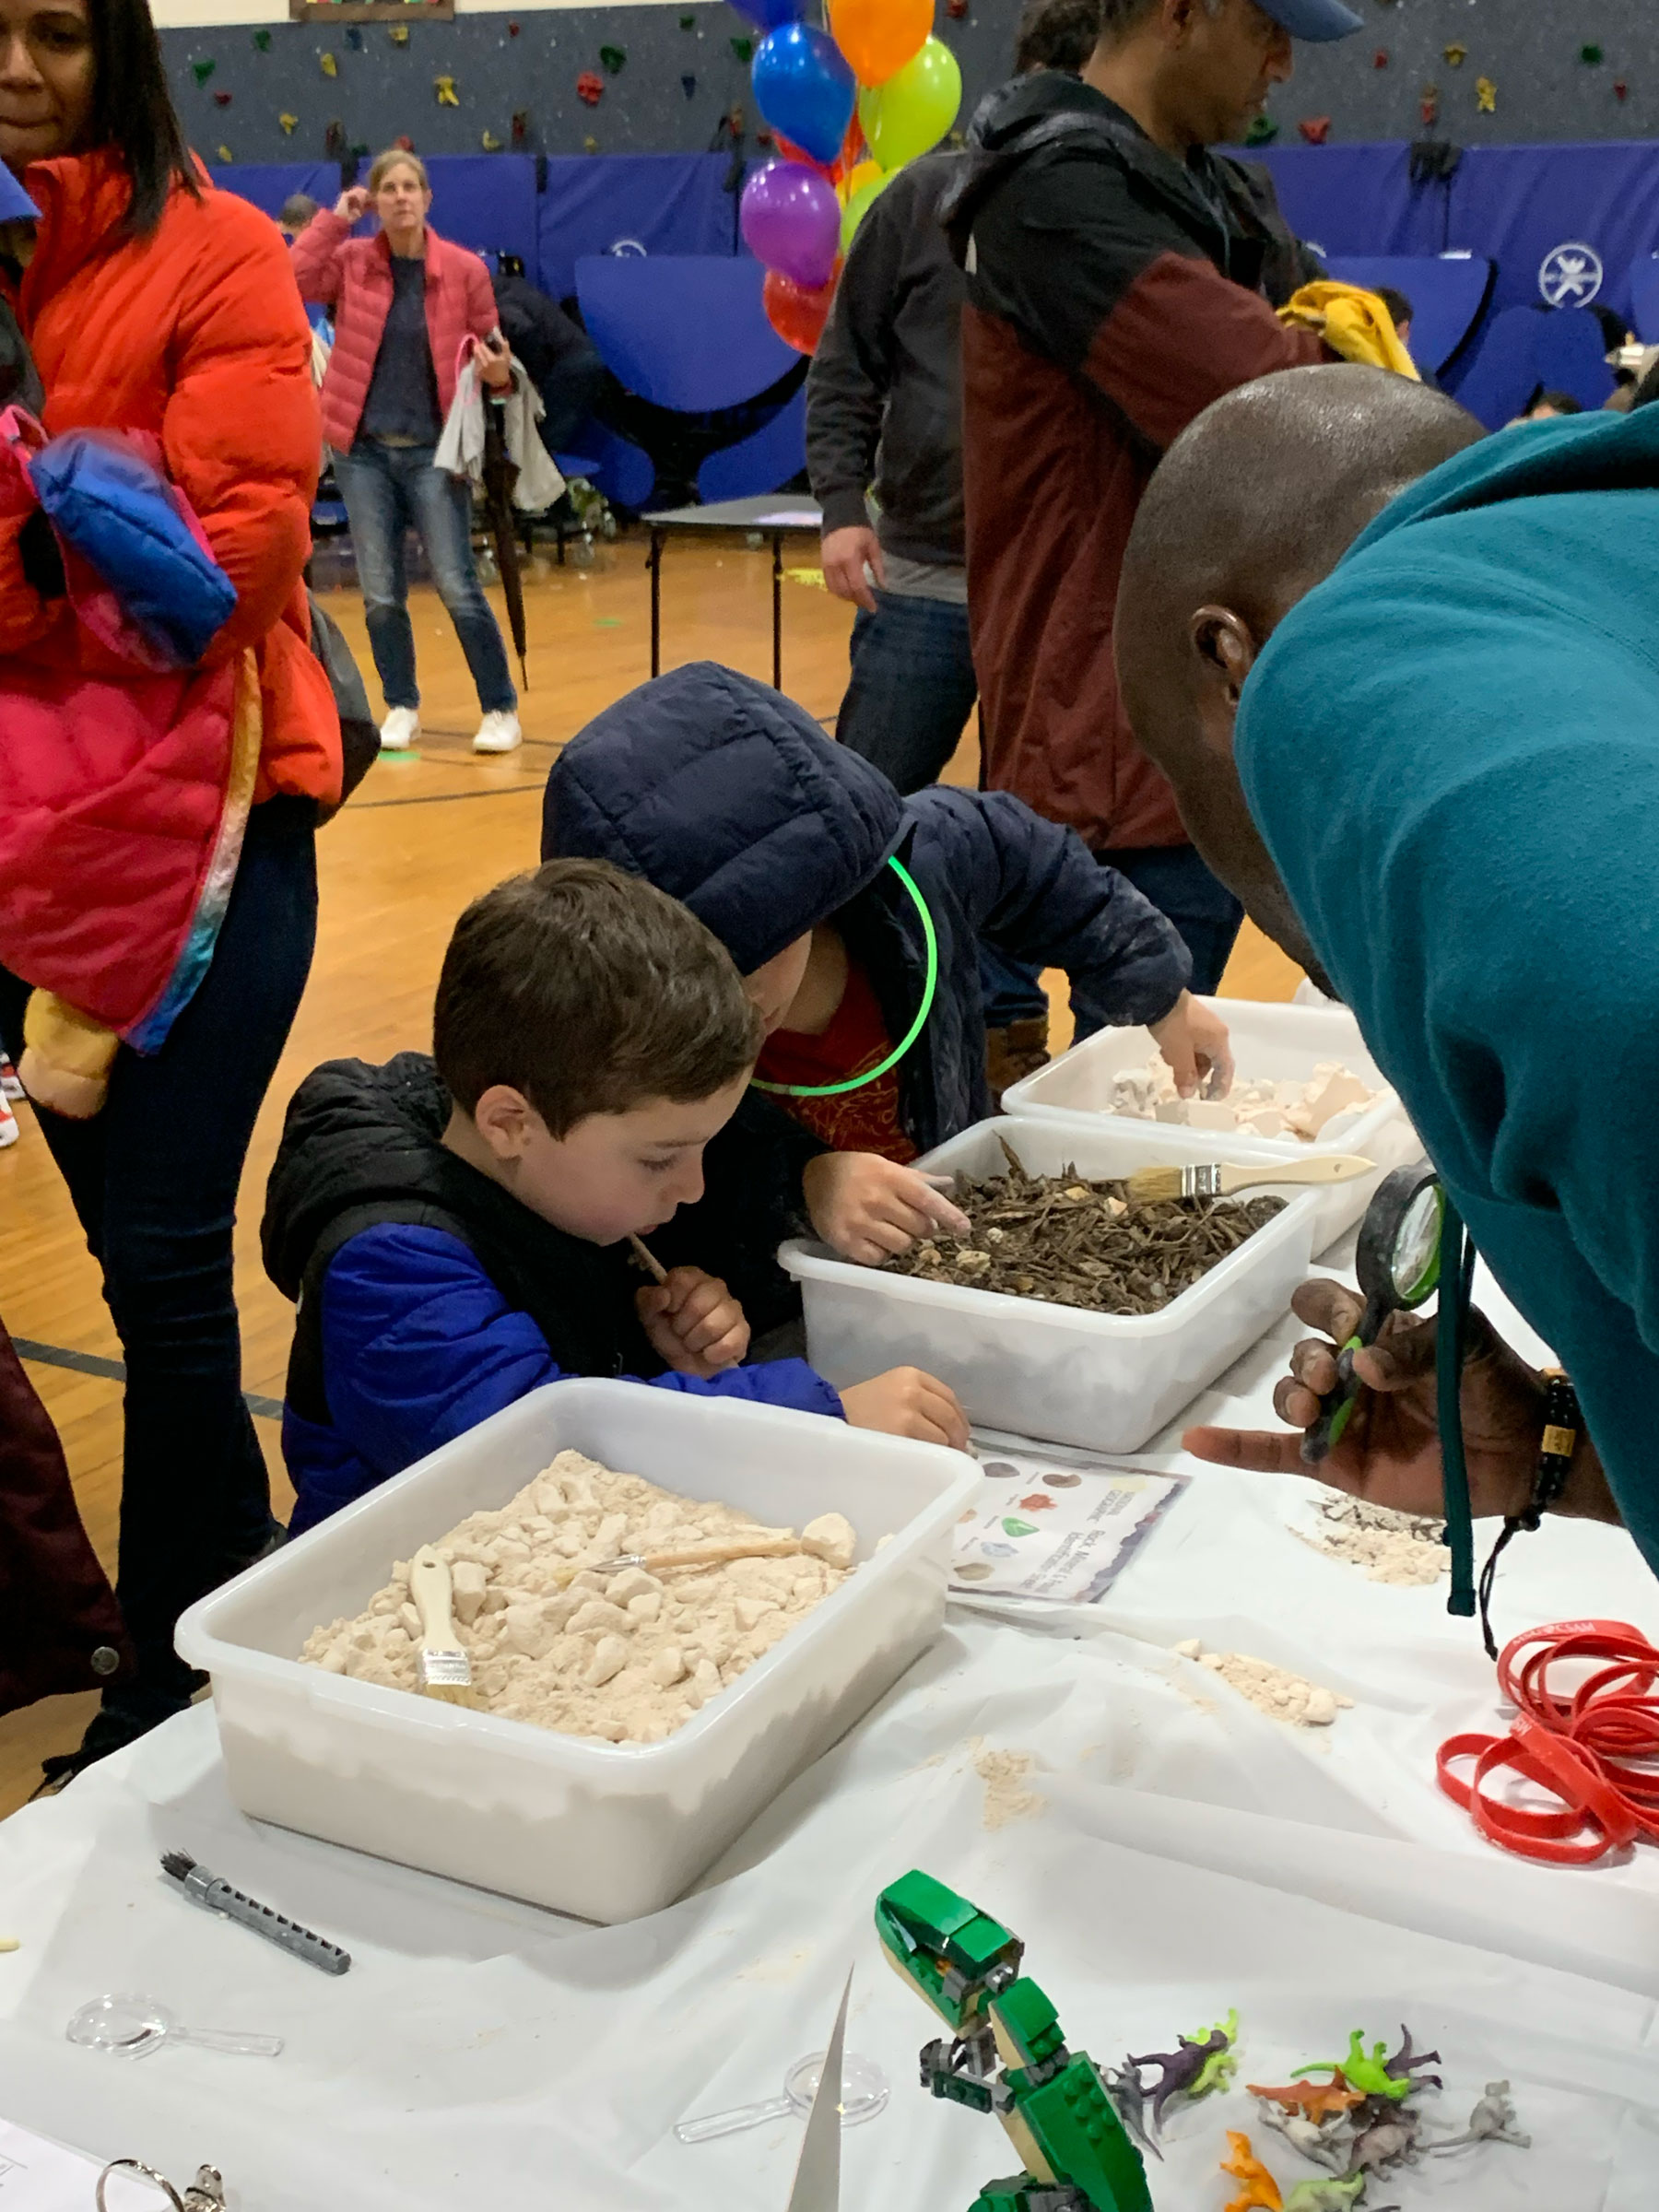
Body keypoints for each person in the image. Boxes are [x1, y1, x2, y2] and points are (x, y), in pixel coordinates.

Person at [1113, 363, 1650, 1579]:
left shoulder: (1336, 663)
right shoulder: (1606, 548)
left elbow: (1636, 1013)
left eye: (1182, 772)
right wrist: (1583, 1450)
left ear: (1231, 666)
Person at [0, 0, 341, 1774]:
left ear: (117, 47)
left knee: (161, 1249)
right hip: (28, 867)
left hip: (216, 834)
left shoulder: (213, 252)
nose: (15, 63)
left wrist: (39, 523)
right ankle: (212, 1601)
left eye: (53, 28)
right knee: (137, 1284)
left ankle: (171, 1684)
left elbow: (220, 567)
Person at [263, 861, 971, 1531]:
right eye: (660, 1158)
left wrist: (664, 1357)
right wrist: (818, 1418)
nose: (691, 1189)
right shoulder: (390, 1270)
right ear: (511, 1123)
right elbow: (546, 1463)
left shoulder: (545, 1177)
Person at [943, 0, 1362, 994]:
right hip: (1108, 745)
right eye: (1269, 29)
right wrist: (1345, 344)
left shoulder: (1203, 192)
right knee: (1127, 1103)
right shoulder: (1057, 195)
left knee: (1149, 1098)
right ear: (1180, 12)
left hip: (1186, 729)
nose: (1285, 65)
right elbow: (1274, 410)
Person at [542, 663, 1230, 1263]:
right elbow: (672, 1182)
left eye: (743, 969)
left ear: (812, 890)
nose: (734, 1010)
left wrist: (1160, 993)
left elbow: (1039, 868)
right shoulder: (616, 1040)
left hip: (955, 1223)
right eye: (686, 996)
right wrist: (804, 1184)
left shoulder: (922, 868)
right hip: (788, 1279)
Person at [808, 0, 1113, 1093]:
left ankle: (1010, 1041)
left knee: (1041, 825)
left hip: (1071, 601)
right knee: (860, 816)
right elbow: (846, 362)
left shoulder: (1128, 218)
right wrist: (843, 504)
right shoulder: (922, 200)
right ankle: (848, 1037)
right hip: (926, 576)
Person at [291, 149, 523, 756]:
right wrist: (335, 219)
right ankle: (401, 703)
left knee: (456, 583)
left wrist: (499, 373)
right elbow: (291, 277)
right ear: (374, 201)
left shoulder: (464, 270)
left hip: (434, 452)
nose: (399, 197)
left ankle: (499, 706)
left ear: (427, 198)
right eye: (387, 188)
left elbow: (493, 352)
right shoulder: (349, 261)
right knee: (381, 592)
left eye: (409, 187)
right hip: (362, 452)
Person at [489, 252, 606, 457]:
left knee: (540, 449)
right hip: (580, 358)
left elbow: (523, 330)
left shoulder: (496, 300)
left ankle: (541, 475)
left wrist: (538, 381)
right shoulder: (510, 286)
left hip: (570, 364)